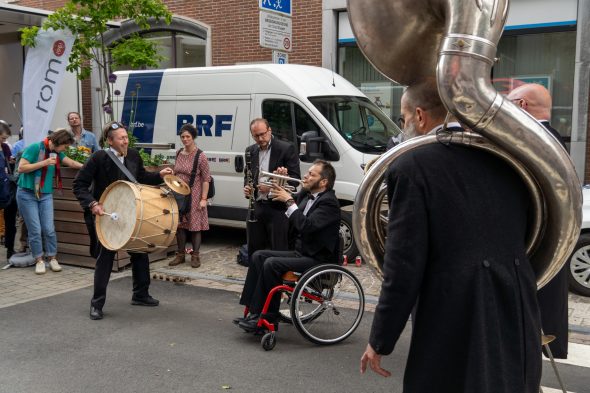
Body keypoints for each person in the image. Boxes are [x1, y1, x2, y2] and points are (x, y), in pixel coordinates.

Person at [360, 80, 542, 393]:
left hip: (453, 317)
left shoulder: (411, 166)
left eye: (403, 119)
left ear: (419, 116)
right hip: (516, 308)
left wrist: (380, 340)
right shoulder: (512, 159)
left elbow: (403, 267)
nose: (404, 127)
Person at [72, 121, 174, 320]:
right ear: (110, 141)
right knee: (105, 259)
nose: (126, 141)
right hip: (107, 216)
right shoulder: (99, 157)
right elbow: (79, 184)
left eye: (126, 137)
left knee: (139, 253)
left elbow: (142, 178)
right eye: (121, 138)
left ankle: (141, 295)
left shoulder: (134, 155)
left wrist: (159, 175)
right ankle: (96, 304)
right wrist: (93, 204)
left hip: (132, 215)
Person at [235, 160, 340, 330]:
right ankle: (254, 311)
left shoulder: (329, 203)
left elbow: (307, 226)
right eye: (308, 173)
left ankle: (269, 318)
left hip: (317, 258)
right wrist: (276, 186)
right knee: (258, 256)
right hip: (301, 252)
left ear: (323, 182)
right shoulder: (306, 194)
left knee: (271, 264)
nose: (305, 176)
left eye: (312, 174)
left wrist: (290, 201)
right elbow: (280, 204)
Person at [507, 82, 569, 359]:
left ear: (522, 106)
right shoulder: (554, 139)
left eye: (509, 102)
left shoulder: (530, 141)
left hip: (529, 251)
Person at [16, 128, 83, 274]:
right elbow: (21, 167)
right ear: (58, 142)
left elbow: (70, 162)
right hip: (27, 193)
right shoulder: (35, 147)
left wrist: (86, 167)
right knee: (35, 230)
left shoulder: (57, 152)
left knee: (49, 228)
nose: (65, 149)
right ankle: (39, 260)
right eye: (65, 146)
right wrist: (45, 162)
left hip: (45, 194)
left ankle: (52, 258)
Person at [243, 118, 300, 262]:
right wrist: (248, 188)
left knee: (278, 250)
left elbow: (295, 180)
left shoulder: (286, 148)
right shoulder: (250, 151)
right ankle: (257, 278)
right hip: (257, 206)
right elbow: (248, 174)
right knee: (254, 250)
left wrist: (270, 187)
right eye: (256, 136)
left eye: (263, 134)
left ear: (270, 131)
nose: (260, 138)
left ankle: (277, 281)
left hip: (278, 208)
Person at [169, 124, 210, 268]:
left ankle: (195, 256)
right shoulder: (179, 152)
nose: (185, 139)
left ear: (193, 137)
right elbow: (176, 172)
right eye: (182, 137)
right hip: (179, 194)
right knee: (180, 225)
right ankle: (180, 255)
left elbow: (206, 179)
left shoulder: (201, 156)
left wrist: (204, 199)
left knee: (195, 226)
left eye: (188, 136)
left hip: (195, 194)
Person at [0, 122, 16, 260]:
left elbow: (7, 164)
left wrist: (11, 161)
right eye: (2, 138)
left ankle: (10, 249)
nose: (4, 141)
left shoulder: (5, 147)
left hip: (7, 188)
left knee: (10, 221)